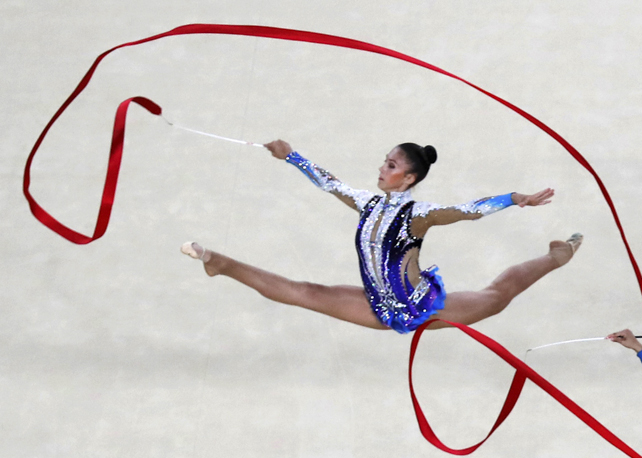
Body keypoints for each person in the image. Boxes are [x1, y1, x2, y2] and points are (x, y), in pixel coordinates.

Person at [180, 140, 581, 333]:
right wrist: (291, 156)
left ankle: (556, 257)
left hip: (420, 307)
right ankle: (220, 263)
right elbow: (329, 182)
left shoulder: (419, 215)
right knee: (303, 291)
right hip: (375, 305)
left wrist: (514, 198)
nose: (381, 169)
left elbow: (468, 210)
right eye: (384, 161)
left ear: (408, 178)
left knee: (496, 297)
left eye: (390, 165)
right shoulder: (368, 203)